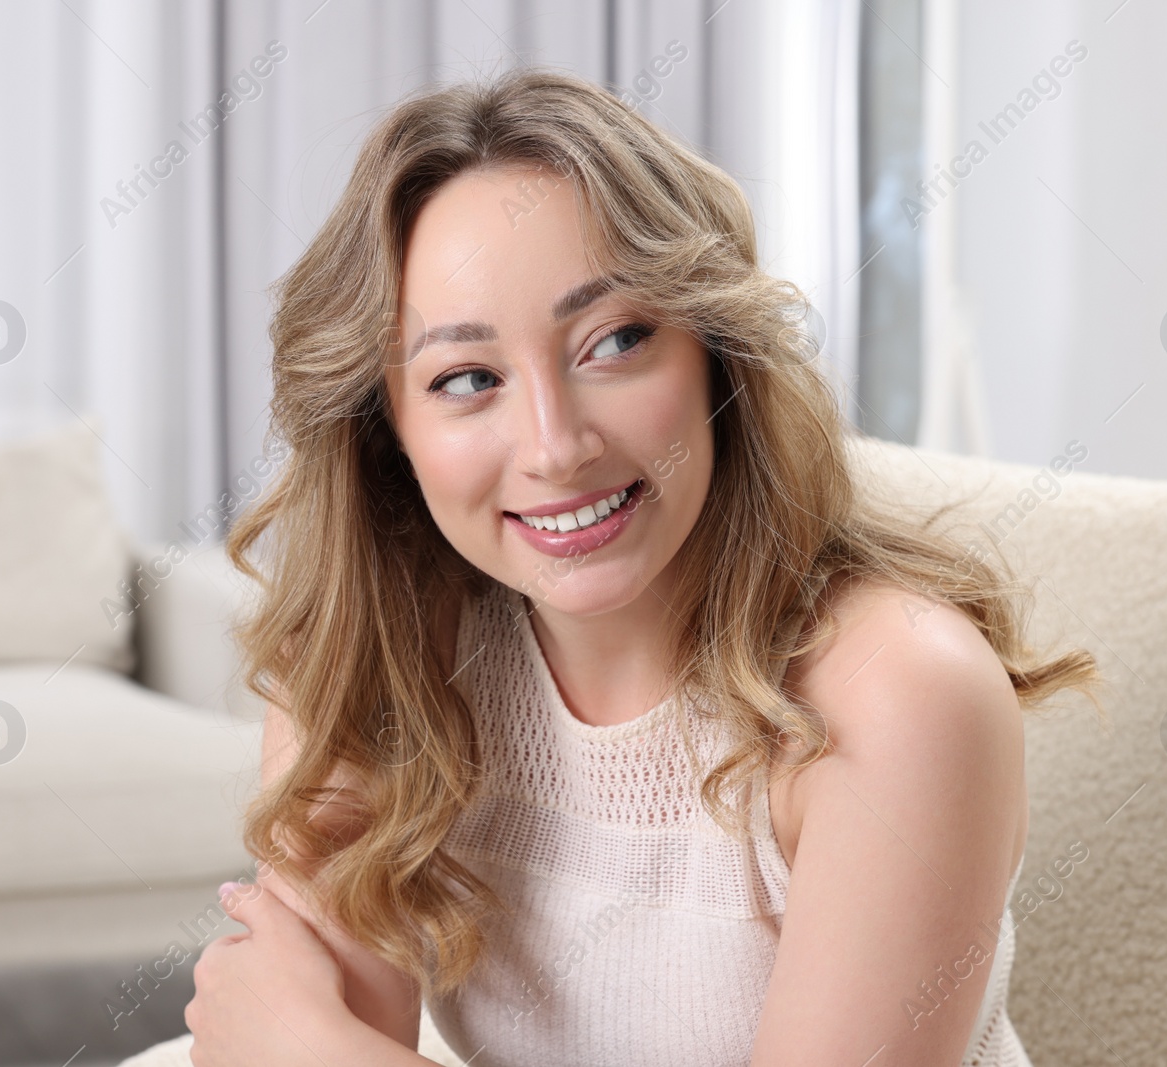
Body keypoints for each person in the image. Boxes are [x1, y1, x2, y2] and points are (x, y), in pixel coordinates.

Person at [119, 66, 1103, 1067]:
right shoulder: (376, 659)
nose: (554, 445)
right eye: (466, 378)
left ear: (716, 354)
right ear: (390, 434)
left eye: (614, 340)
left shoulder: (896, 688)